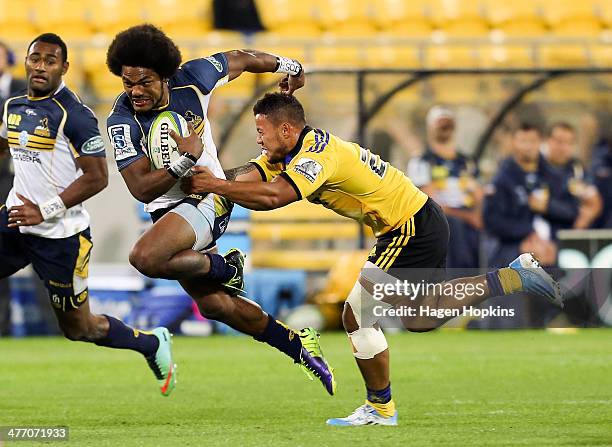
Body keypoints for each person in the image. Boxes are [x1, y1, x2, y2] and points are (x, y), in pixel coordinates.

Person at [180, 92, 563, 426]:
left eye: (262, 131)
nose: (259, 139)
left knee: (358, 314)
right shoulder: (288, 152)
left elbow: (274, 197)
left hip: (410, 226)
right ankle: (513, 276)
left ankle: (380, 408)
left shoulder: (316, 155)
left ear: (285, 130)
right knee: (421, 318)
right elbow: (248, 176)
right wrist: (205, 178)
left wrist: (213, 185)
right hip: (411, 223)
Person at [105, 24, 335, 396]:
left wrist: (290, 66)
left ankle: (225, 266)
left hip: (207, 198)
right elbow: (139, 187)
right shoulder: (121, 121)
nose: (135, 92)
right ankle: (299, 345)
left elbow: (242, 58)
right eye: (127, 83)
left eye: (144, 82)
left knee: (144, 257)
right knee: (216, 306)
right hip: (167, 214)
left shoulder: (193, 79)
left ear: (164, 74)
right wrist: (184, 161)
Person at [0, 33, 179, 395]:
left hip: (61, 239)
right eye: (36, 58)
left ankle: (151, 344)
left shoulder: (76, 116)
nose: (41, 66)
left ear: (64, 68)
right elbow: (7, 145)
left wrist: (44, 210)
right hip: (16, 221)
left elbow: (98, 178)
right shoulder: (13, 106)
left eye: (51, 61)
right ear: (27, 61)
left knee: (80, 329)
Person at [484, 124, 577, 268]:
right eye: (523, 141)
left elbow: (572, 211)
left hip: (552, 249)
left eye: (533, 141)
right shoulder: (502, 179)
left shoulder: (553, 175)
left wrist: (548, 206)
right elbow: (492, 221)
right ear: (514, 143)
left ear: (541, 142)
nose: (528, 146)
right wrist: (528, 233)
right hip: (513, 248)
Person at [407, 106, 483, 269]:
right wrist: (468, 216)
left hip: (469, 223)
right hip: (442, 223)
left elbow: (479, 194)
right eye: (440, 124)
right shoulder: (421, 161)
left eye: (448, 123)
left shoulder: (467, 162)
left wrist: (477, 215)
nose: (444, 127)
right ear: (430, 128)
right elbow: (429, 203)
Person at [0, 40, 28, 336]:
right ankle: (2, 327)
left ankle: (57, 326)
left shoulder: (23, 88)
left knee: (43, 246)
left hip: (17, 181)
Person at [544, 122, 602, 230]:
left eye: (569, 143)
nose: (563, 147)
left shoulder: (577, 169)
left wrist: (585, 218)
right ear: (548, 140)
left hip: (569, 231)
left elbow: (594, 201)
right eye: (559, 141)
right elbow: (536, 204)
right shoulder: (537, 166)